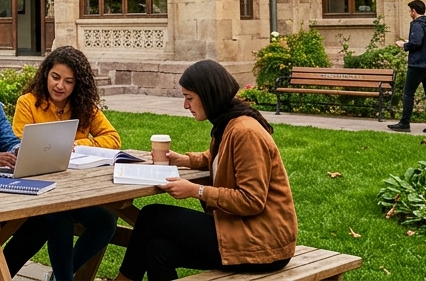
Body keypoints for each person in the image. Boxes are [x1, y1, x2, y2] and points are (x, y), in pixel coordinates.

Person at [115, 60, 296, 281]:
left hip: (263, 242)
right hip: (242, 231)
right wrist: (185, 160)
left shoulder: (245, 132)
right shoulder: (228, 124)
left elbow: (252, 200)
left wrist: (196, 190)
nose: (185, 105)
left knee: (152, 216)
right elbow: (219, 157)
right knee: (157, 250)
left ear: (208, 95)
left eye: (189, 98)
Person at [3, 47, 121, 281]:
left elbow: (113, 139)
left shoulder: (85, 107)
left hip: (73, 190)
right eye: (56, 77)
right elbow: (19, 143)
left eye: (69, 81)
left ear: (77, 84)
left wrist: (78, 143)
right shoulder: (28, 103)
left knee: (107, 221)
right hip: (38, 190)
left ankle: (59, 276)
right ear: (46, 74)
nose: (60, 86)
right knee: (60, 219)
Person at [388, 0, 426, 134]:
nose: (409, 13)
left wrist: (404, 45)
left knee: (408, 93)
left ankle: (404, 123)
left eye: (410, 11)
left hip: (418, 63)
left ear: (414, 11)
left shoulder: (417, 24)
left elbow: (417, 42)